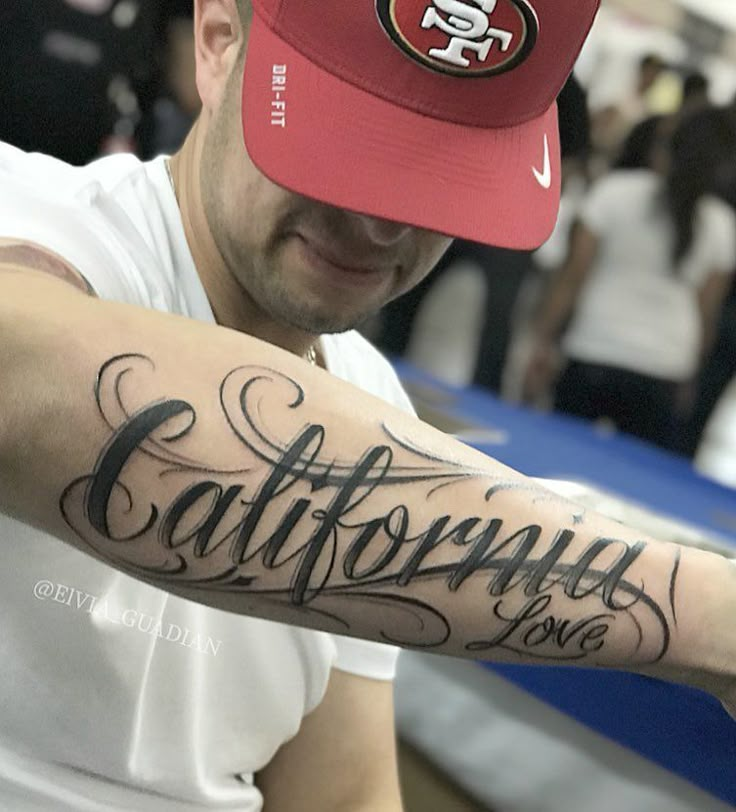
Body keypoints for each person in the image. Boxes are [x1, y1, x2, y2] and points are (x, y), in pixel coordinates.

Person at [0, 2, 735, 811]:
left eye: (439, 173)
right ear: (219, 43)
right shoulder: (36, 219)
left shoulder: (372, 398)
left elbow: (343, 789)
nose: (380, 223)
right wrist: (706, 617)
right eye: (338, 143)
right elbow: (38, 383)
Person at [522, 109, 736, 452]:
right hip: (665, 364)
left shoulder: (614, 193)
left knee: (555, 462)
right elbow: (706, 315)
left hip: (594, 348)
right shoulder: (721, 226)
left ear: (665, 148)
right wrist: (691, 376)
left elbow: (572, 279)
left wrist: (542, 341)